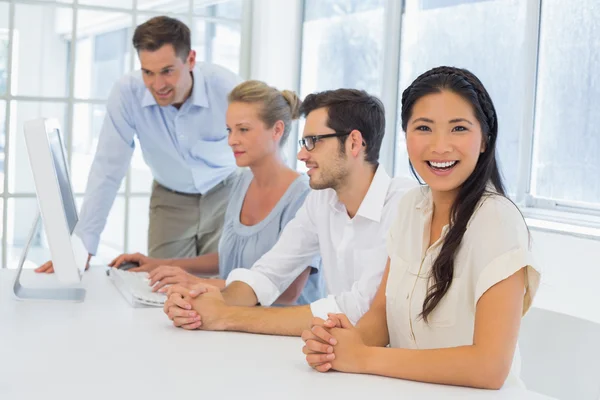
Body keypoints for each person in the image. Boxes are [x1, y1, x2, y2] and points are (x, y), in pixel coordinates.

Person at [301, 66, 541, 390]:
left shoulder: (497, 220)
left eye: (458, 128)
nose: (440, 147)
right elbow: (383, 314)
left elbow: (490, 367)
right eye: (424, 128)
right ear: (406, 136)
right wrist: (339, 345)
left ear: (484, 139)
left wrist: (363, 357)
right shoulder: (410, 206)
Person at [162, 88, 414, 336]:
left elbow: (359, 310)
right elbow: (269, 274)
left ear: (354, 143)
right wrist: (201, 304)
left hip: (394, 364)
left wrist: (226, 316)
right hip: (341, 356)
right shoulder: (321, 201)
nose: (302, 154)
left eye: (312, 142)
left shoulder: (404, 204)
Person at [36, 16, 241, 273]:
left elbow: (259, 147)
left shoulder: (226, 88)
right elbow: (108, 168)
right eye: (148, 72)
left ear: (190, 60)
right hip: (170, 197)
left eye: (167, 71)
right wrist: (82, 247)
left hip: (226, 193)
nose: (158, 85)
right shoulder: (127, 93)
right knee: (160, 285)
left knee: (222, 284)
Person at [108, 80, 324, 305]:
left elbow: (287, 292)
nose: (231, 141)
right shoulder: (242, 181)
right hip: (236, 318)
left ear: (277, 130)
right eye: (229, 130)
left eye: (243, 130)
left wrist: (195, 282)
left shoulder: (303, 196)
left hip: (282, 330)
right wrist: (162, 264)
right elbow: (233, 259)